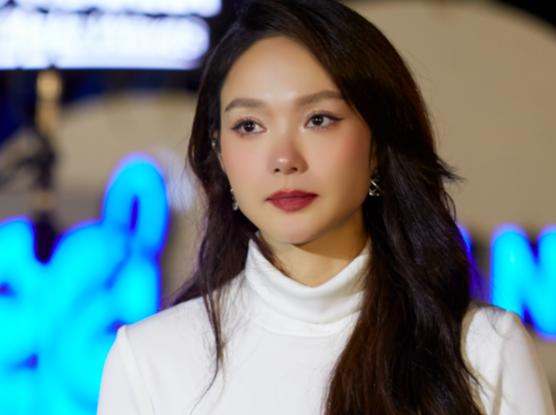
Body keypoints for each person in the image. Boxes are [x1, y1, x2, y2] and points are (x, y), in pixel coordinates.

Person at [97, 0, 555, 414]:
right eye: (250, 125)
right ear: (219, 152)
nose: (284, 159)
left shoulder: (484, 350)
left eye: (318, 119)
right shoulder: (150, 360)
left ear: (377, 143)